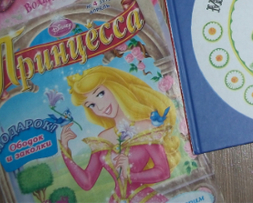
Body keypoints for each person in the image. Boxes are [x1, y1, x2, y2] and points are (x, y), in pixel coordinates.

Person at [60, 66, 180, 203]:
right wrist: (65, 150)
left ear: (115, 87)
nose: (100, 107)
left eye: (100, 94)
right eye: (91, 105)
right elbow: (87, 182)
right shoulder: (103, 138)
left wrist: (130, 175)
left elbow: (163, 171)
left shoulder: (145, 127)